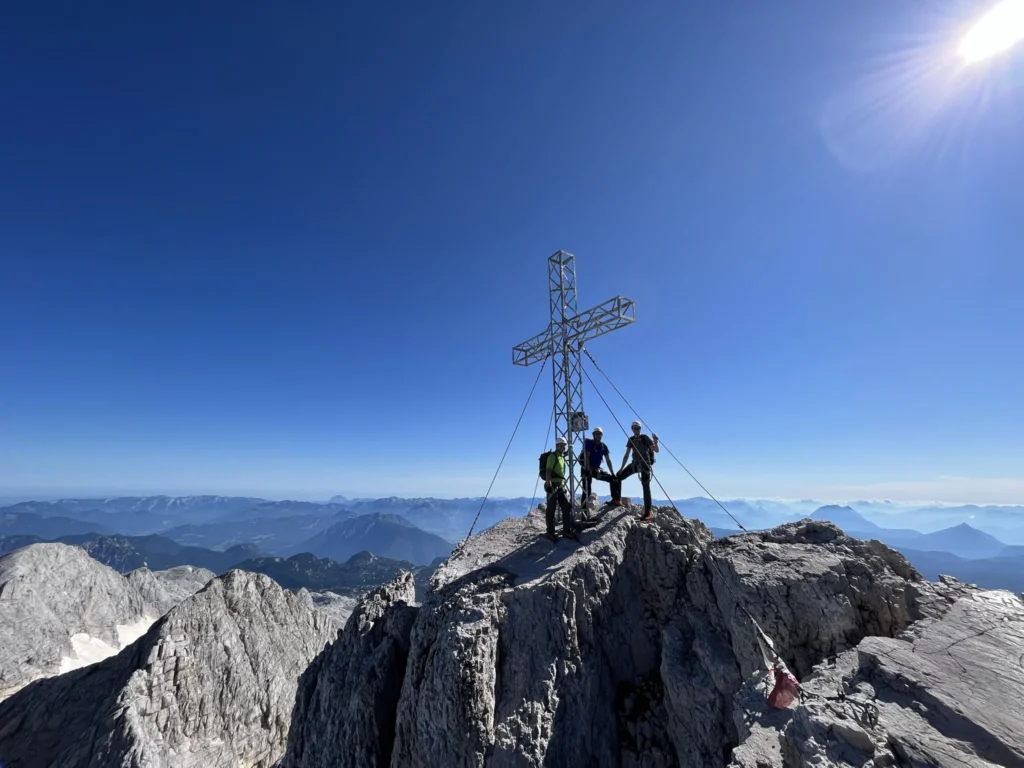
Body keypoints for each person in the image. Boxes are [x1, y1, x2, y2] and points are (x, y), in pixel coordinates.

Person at [616, 420, 659, 520]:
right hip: (635, 464)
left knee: (646, 487)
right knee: (618, 477)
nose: (636, 430)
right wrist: (621, 468)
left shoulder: (645, 438)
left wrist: (656, 441)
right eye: (634, 428)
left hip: (645, 465)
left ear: (640, 429)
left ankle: (648, 512)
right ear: (632, 429)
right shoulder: (631, 440)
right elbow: (626, 455)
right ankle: (616, 500)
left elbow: (656, 450)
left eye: (638, 428)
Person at [544, 436, 578, 542]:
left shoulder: (561, 456)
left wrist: (570, 447)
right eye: (562, 446)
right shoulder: (552, 457)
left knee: (566, 507)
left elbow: (566, 453)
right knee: (551, 510)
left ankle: (566, 531)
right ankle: (550, 533)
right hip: (553, 486)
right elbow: (548, 471)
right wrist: (549, 485)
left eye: (564, 446)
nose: (563, 448)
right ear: (557, 446)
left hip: (560, 486)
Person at [579, 427, 621, 506]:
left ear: (602, 435)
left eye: (599, 434)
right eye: (596, 434)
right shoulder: (589, 444)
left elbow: (608, 460)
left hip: (596, 469)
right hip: (586, 469)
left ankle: (615, 499)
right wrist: (588, 470)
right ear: (593, 435)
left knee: (612, 479)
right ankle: (584, 514)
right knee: (586, 490)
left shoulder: (603, 446)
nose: (598, 435)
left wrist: (612, 473)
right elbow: (587, 457)